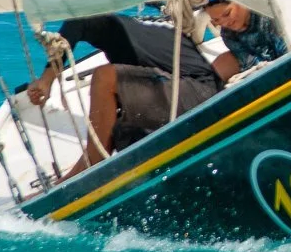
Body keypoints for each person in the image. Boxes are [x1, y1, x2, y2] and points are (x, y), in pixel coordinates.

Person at [27, 13, 228, 180]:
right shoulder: (136, 29)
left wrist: (46, 80)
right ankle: (100, 166)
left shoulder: (116, 29)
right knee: (119, 125)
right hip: (179, 91)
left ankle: (89, 168)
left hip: (201, 93)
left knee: (105, 77)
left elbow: (76, 23)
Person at [204, 0, 288, 75]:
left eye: (227, 13)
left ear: (240, 1)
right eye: (216, 20)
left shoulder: (266, 15)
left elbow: (287, 49)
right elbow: (250, 63)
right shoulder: (228, 34)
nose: (225, 23)